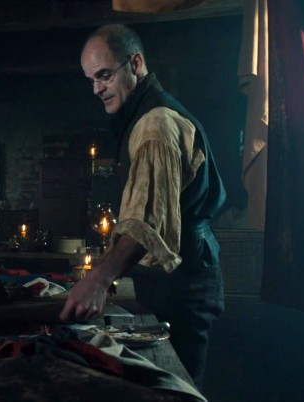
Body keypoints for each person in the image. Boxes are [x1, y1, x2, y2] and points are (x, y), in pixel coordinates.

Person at [60, 24, 226, 389]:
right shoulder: (142, 117)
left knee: (176, 390)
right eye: (91, 80)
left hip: (184, 286)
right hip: (173, 282)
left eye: (104, 75)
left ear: (135, 63)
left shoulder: (156, 125)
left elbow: (145, 222)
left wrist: (99, 279)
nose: (97, 89)